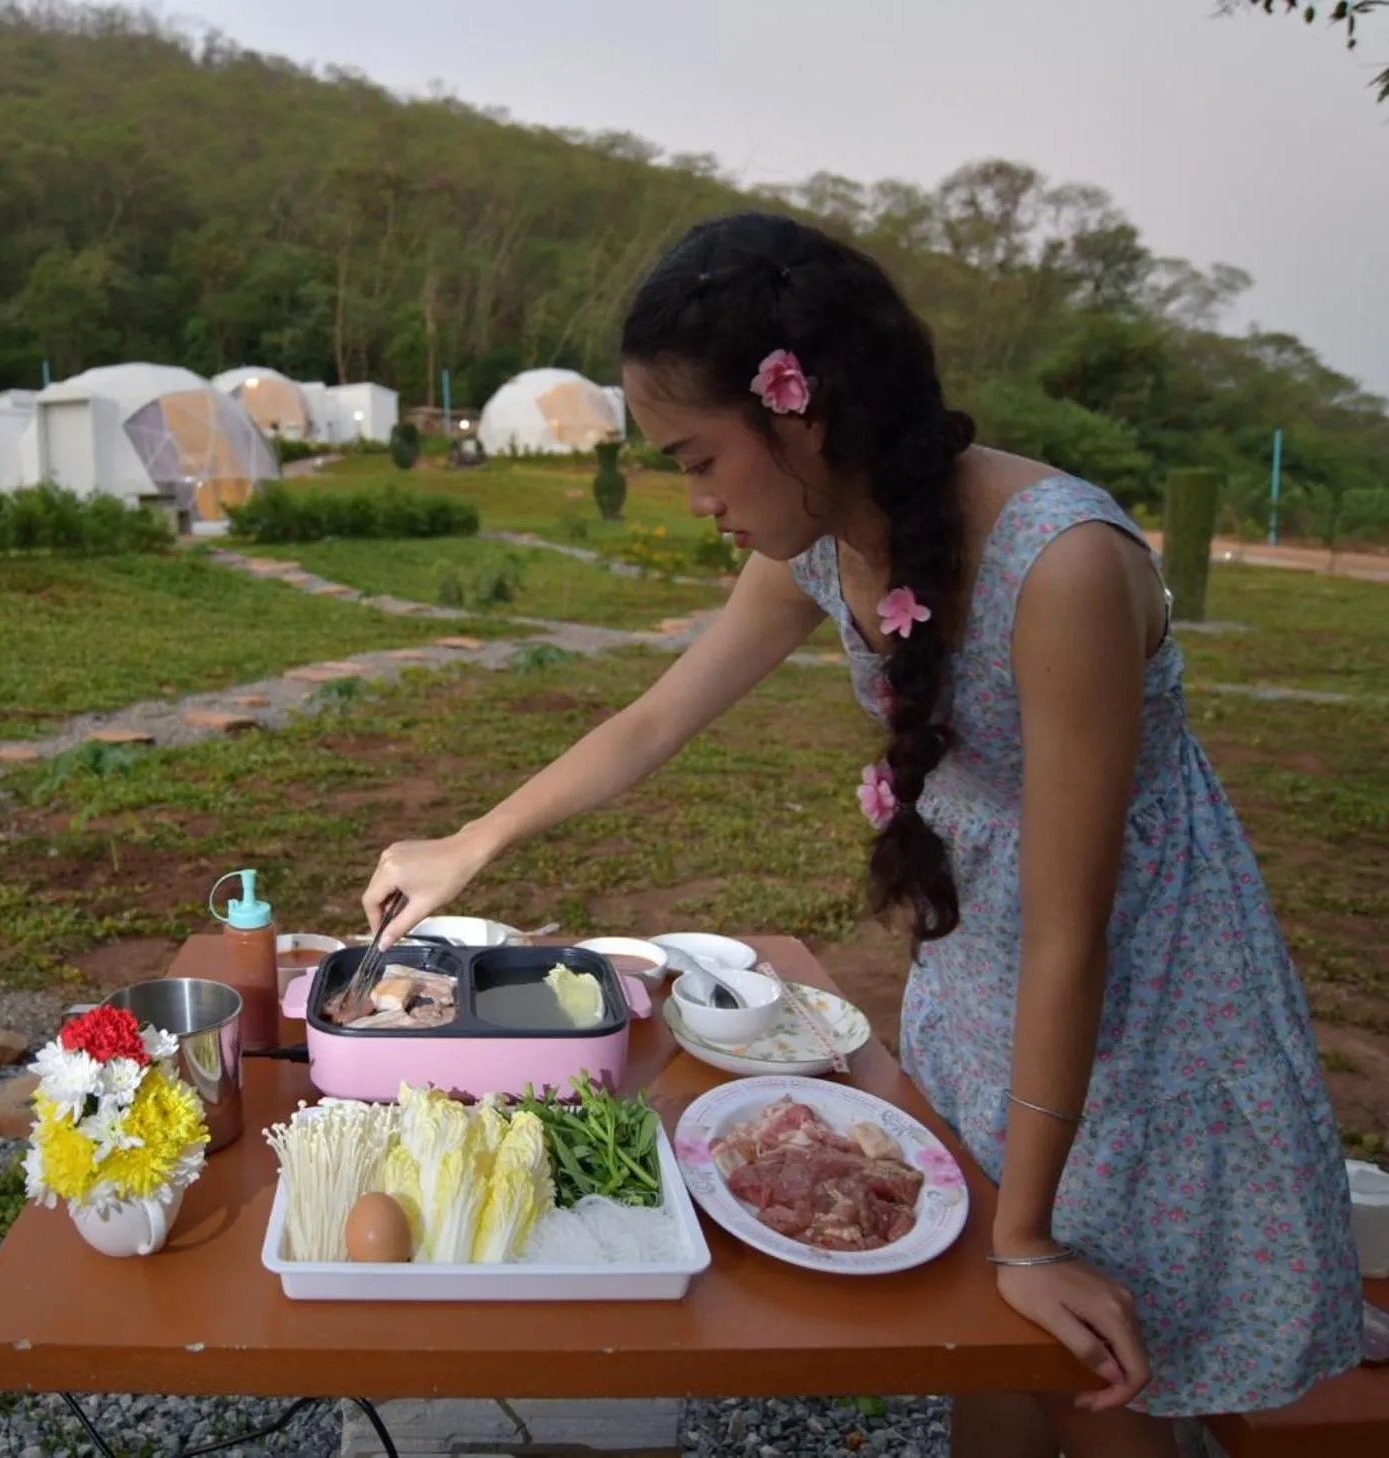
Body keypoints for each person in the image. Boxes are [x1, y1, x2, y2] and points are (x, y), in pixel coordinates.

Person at [358, 212, 1362, 1458]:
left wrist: (1029, 1232)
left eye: (693, 457)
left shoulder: (1064, 569)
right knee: (987, 1347)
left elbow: (1073, 930)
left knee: (1097, 1370)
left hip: (1138, 993)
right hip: (987, 965)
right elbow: (655, 717)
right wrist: (471, 841)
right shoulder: (822, 545)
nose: (694, 498)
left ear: (797, 416)